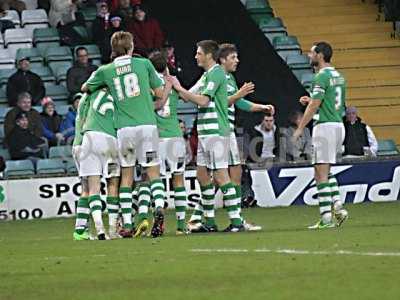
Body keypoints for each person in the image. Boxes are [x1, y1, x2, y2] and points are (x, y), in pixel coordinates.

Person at [82, 31, 170, 238]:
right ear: (131, 47)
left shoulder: (106, 70)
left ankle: (128, 224)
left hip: (125, 129)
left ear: (113, 49)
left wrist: (106, 83)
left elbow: (85, 87)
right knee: (153, 172)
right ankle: (158, 206)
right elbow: (159, 94)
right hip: (147, 125)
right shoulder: (144, 64)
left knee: (127, 177)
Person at [187, 43, 274, 231]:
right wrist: (238, 95)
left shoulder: (227, 78)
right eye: (233, 57)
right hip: (217, 130)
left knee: (231, 174)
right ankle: (215, 218)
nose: (237, 60)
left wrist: (260, 107)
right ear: (222, 59)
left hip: (223, 130)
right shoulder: (217, 76)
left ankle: (229, 219)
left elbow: (236, 103)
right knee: (213, 175)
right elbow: (223, 102)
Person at [171, 40, 244, 232]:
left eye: (198, 53)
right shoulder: (206, 76)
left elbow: (203, 101)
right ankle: (209, 222)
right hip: (204, 132)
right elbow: (188, 96)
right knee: (202, 175)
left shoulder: (218, 73)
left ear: (209, 55)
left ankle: (237, 222)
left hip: (216, 132)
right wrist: (175, 86)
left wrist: (179, 89)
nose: (196, 56)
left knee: (221, 175)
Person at [293, 41, 348, 229]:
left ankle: (326, 218)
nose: (309, 56)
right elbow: (330, 101)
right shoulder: (338, 76)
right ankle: (338, 205)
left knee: (320, 173)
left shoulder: (321, 77)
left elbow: (315, 105)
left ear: (320, 55)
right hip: (338, 125)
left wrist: (300, 128)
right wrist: (310, 100)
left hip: (324, 127)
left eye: (312, 53)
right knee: (324, 170)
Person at [145, 51, 187, 235]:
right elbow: (186, 97)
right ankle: (181, 225)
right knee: (178, 179)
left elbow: (151, 106)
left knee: (156, 179)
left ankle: (159, 210)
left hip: (156, 137)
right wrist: (175, 85)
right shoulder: (174, 81)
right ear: (167, 65)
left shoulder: (148, 85)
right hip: (175, 136)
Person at [73, 89, 121, 240]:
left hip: (83, 142)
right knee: (112, 185)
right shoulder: (116, 95)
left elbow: (80, 119)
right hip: (108, 140)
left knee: (88, 188)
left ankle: (85, 229)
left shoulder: (86, 98)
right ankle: (112, 229)